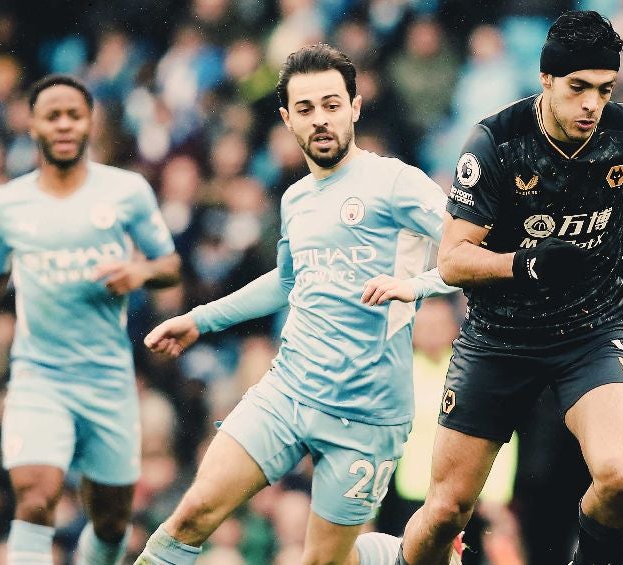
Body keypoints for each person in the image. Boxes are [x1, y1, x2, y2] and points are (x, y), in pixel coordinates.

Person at [392, 10, 623, 565]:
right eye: (578, 88)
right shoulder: (496, 142)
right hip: (500, 340)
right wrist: (525, 263)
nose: (592, 104)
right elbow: (452, 259)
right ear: (546, 80)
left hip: (590, 336)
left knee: (619, 480)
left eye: (604, 90)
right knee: (446, 511)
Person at [134, 44, 459, 565]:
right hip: (287, 392)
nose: (320, 120)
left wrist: (415, 286)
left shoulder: (396, 183)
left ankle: (395, 556)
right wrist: (200, 320)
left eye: (332, 104)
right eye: (305, 110)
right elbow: (287, 283)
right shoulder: (296, 199)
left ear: (355, 105)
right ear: (287, 119)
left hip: (366, 415)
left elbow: (470, 253)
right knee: (189, 518)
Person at [0, 74, 182, 565]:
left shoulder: (126, 191)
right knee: (35, 496)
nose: (63, 125)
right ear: (31, 125)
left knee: (113, 520)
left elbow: (170, 266)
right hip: (39, 375)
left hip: (107, 377)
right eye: (51, 115)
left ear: (89, 123)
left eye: (73, 115)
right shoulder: (6, 204)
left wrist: (139, 272)